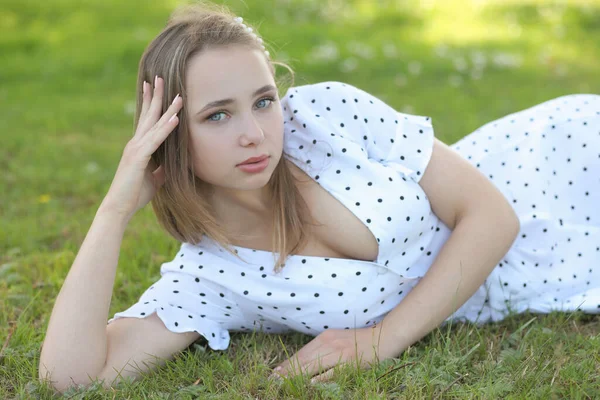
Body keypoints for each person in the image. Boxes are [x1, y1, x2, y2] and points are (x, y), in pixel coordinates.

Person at [38, 1, 600, 393]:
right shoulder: (211, 278)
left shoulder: (327, 115)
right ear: (168, 137)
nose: (255, 133)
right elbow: (70, 379)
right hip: (557, 277)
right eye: (217, 115)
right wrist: (114, 209)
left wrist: (383, 339)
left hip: (553, 161)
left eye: (262, 101)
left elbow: (490, 214)